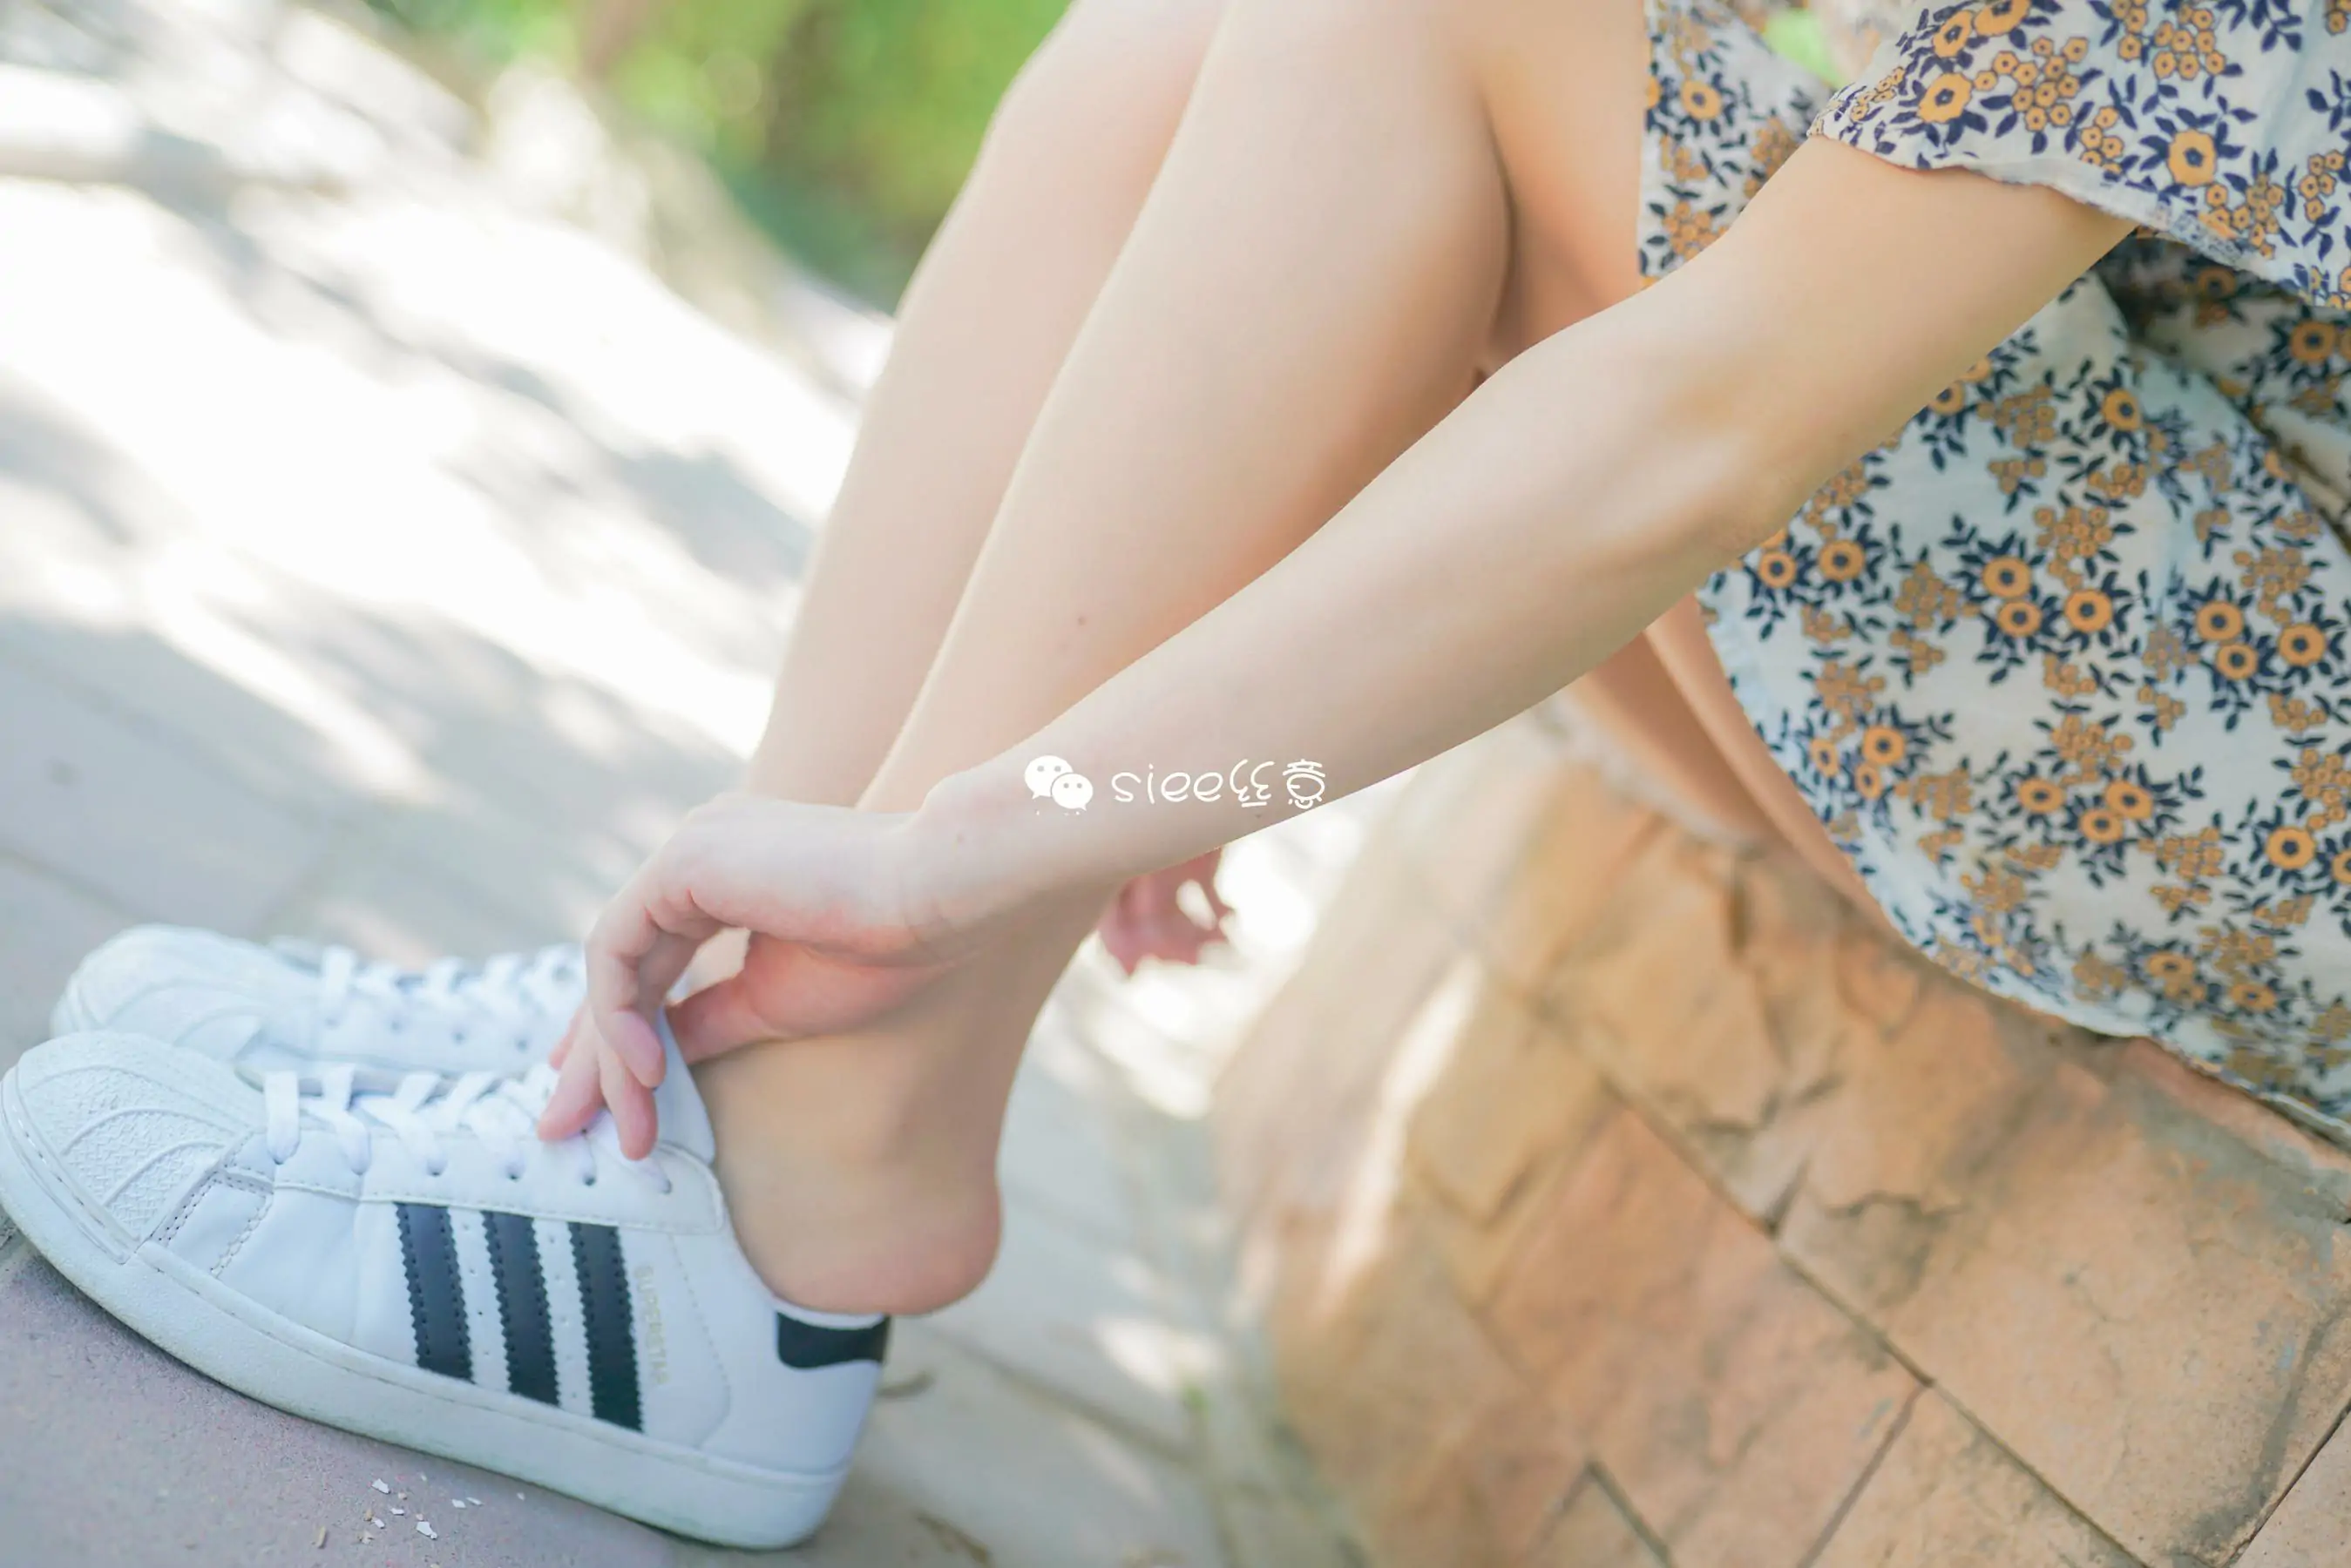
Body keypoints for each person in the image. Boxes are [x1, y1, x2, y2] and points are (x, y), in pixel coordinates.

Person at [10, 0, 2351, 1544]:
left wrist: (1022, 822)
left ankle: (809, 1158)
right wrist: (1153, 705)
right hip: (2137, 666)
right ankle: (723, 1010)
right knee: (1191, 32)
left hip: (2259, 785)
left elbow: (1710, 415)